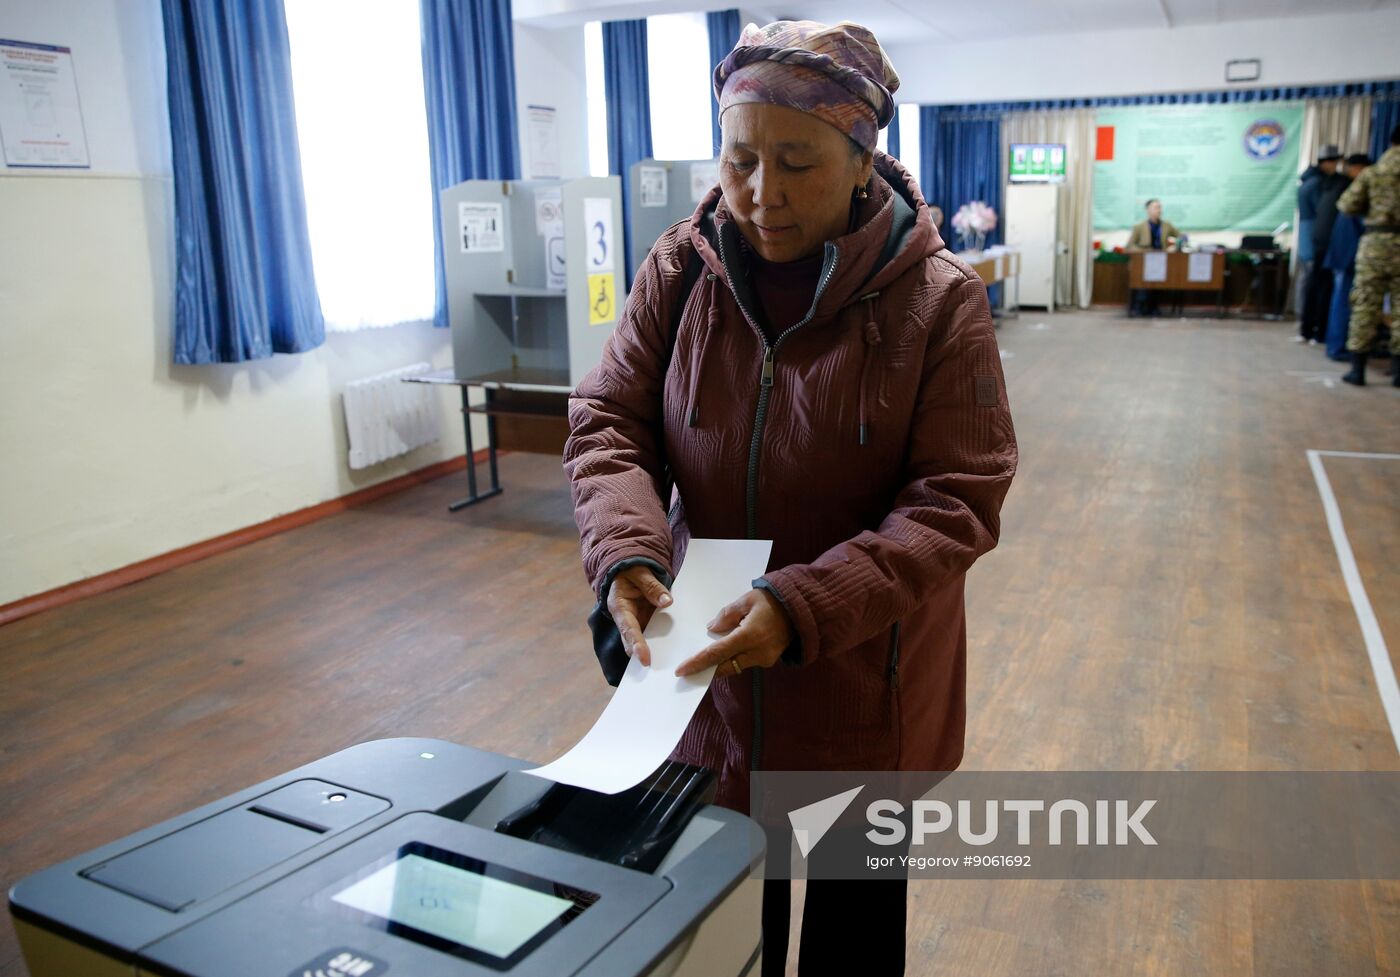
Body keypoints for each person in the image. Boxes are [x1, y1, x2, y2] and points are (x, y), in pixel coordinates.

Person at [563, 19, 1017, 976]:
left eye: (797, 162)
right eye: (740, 160)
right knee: (725, 922)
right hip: (709, 675)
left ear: (863, 163)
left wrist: (800, 607)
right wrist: (630, 554)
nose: (761, 193)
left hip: (865, 676)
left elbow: (957, 499)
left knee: (853, 933)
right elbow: (608, 421)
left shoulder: (938, 301)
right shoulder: (682, 271)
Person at [1338, 124, 1400, 386]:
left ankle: (1357, 371)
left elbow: (1346, 205)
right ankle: (1398, 374)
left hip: (1375, 245)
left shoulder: (1373, 173)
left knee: (1365, 306)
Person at [1322, 155, 1371, 362]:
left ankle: (1338, 346)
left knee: (1342, 300)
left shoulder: (1349, 190)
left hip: (1343, 252)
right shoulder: (1360, 191)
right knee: (1344, 301)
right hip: (1350, 254)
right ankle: (1338, 347)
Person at [1300, 145, 1348, 343]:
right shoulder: (1320, 184)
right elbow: (1325, 213)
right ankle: (1318, 331)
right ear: (1326, 162)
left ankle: (1307, 330)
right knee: (1322, 286)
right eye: (1334, 162)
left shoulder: (1307, 181)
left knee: (1312, 284)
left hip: (1312, 238)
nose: (1336, 166)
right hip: (1322, 238)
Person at [1126, 199, 1180, 316]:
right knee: (1143, 283)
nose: (1158, 210)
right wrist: (1144, 251)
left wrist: (1174, 247)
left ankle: (1153, 307)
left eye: (1160, 207)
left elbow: (1181, 237)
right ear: (1148, 210)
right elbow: (1130, 246)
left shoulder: (1166, 225)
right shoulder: (1139, 227)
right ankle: (1139, 307)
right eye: (1155, 207)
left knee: (1158, 283)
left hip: (1161, 261)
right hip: (1143, 261)